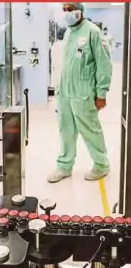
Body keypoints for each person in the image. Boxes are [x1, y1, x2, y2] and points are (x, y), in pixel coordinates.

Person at [47, 2, 112, 183]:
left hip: (84, 91)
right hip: (65, 91)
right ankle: (64, 166)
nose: (66, 13)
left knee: (90, 129)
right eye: (64, 9)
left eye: (70, 9)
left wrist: (101, 93)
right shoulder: (69, 32)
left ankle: (101, 164)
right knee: (65, 128)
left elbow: (104, 65)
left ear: (79, 10)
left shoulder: (92, 32)